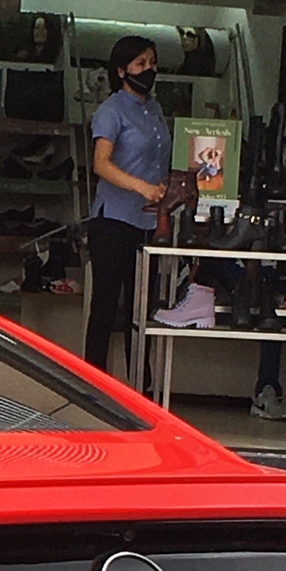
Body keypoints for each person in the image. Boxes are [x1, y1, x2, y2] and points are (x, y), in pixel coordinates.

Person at [83, 35, 171, 385]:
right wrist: (142, 187)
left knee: (141, 309)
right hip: (113, 220)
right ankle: (94, 385)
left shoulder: (155, 108)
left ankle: (140, 385)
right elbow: (101, 165)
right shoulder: (111, 111)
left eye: (151, 62)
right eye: (140, 64)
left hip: (148, 221)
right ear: (121, 71)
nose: (148, 69)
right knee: (106, 306)